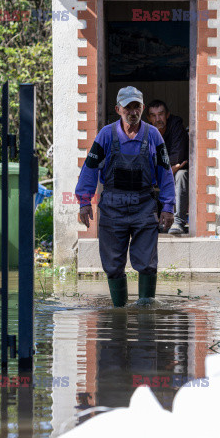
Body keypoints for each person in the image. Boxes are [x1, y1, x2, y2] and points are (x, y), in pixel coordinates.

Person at [75, 86, 176, 307]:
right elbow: (89, 169)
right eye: (127, 107)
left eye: (136, 106)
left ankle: (146, 315)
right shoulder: (105, 135)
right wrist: (84, 203)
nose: (132, 111)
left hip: (144, 206)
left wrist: (168, 206)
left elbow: (165, 172)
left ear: (142, 108)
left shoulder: (153, 135)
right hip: (112, 207)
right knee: (112, 265)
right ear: (118, 109)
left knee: (147, 263)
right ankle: (119, 313)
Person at [146, 100, 189, 235]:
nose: (157, 119)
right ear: (149, 118)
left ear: (167, 115)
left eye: (161, 114)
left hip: (175, 173)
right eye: (153, 115)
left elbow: (178, 157)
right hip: (163, 172)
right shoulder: (146, 132)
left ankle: (178, 221)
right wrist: (167, 170)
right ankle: (150, 222)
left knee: (182, 174)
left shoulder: (176, 126)